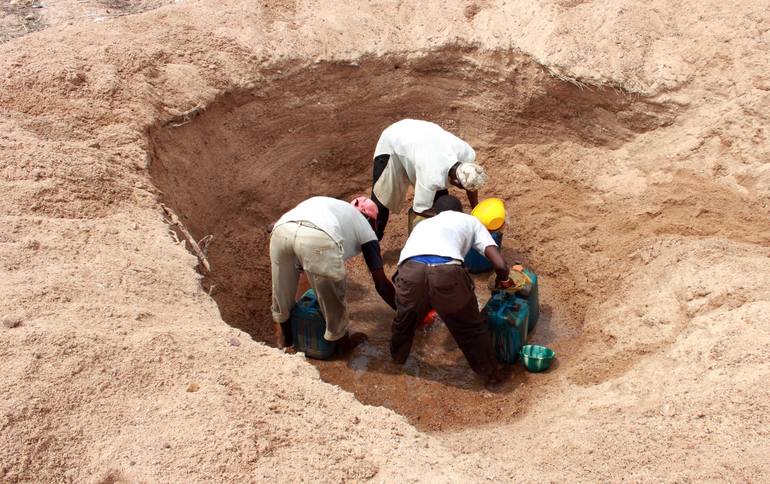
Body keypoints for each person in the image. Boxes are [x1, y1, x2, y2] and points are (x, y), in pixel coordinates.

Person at [390, 195, 514, 390]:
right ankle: (492, 376)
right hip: (446, 274)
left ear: (436, 213)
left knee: (404, 321)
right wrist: (503, 279)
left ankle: (396, 362)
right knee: (470, 328)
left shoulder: (423, 225)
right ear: (461, 212)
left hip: (410, 272)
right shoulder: (471, 221)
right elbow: (499, 263)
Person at [269, 196, 396, 354]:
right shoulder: (366, 227)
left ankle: (286, 341)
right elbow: (382, 285)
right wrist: (405, 312)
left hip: (282, 229)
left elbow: (271, 226)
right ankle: (343, 345)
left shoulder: (330, 206)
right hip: (318, 236)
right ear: (370, 219)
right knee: (334, 299)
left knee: (282, 291)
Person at [371, 119, 488, 240]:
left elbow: (471, 183)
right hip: (393, 141)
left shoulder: (466, 154)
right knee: (380, 200)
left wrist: (476, 211)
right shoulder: (431, 177)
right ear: (455, 182)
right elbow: (420, 209)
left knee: (440, 202)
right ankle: (372, 241)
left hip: (421, 137)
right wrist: (447, 218)